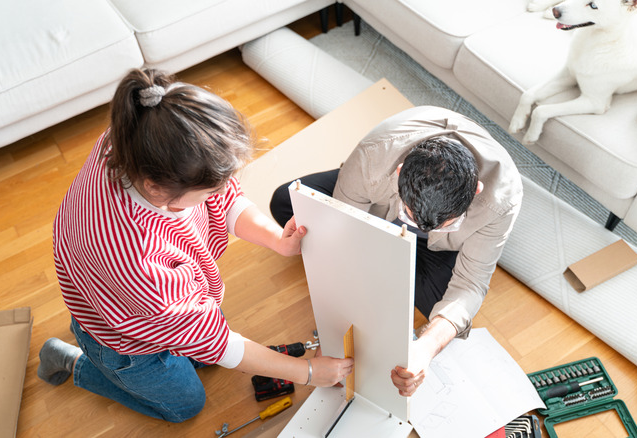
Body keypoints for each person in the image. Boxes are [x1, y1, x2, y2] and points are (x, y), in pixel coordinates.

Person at [37, 68, 353, 422]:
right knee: (185, 406)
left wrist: (278, 240)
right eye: (209, 191)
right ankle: (76, 359)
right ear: (157, 188)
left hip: (119, 294)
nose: (221, 193)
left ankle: (93, 331)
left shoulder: (140, 133)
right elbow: (216, 341)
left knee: (201, 354)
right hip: (120, 337)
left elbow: (226, 198)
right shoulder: (139, 262)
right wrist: (307, 372)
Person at [270, 106, 522, 397]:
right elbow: (344, 237)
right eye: (410, 213)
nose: (418, 225)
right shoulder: (375, 154)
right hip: (375, 212)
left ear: (476, 191)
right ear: (400, 172)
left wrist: (425, 349)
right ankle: (397, 259)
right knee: (287, 202)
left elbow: (471, 284)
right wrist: (335, 330)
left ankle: (404, 257)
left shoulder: (503, 200)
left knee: (448, 317)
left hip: (437, 251)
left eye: (445, 223)